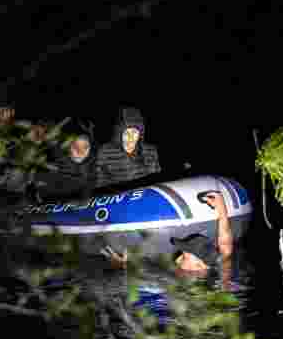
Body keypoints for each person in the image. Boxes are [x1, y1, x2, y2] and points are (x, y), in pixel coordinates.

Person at [101, 191, 233, 274]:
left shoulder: (191, 280)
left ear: (199, 264)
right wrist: (222, 209)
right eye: (184, 252)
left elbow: (150, 276)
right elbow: (225, 245)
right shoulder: (214, 263)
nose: (180, 256)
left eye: (185, 255)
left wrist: (123, 266)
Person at [94, 107, 160, 189]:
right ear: (119, 134)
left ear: (140, 134)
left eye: (134, 132)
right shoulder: (104, 153)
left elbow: (157, 180)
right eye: (127, 133)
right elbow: (98, 185)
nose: (131, 138)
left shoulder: (150, 151)